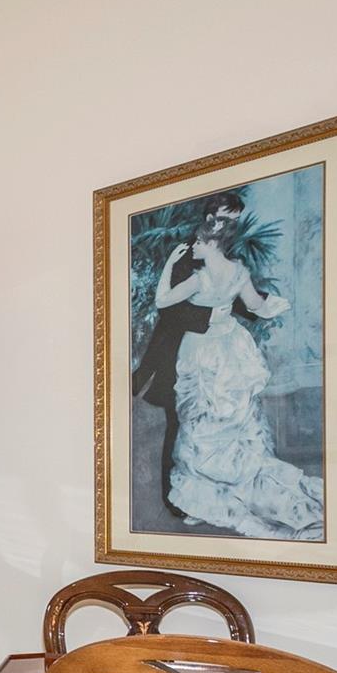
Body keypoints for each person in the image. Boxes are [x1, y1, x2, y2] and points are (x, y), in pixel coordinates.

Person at [157, 229, 322, 539]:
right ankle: (222, 490)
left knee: (200, 424)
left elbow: (162, 301)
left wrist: (168, 263)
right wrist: (272, 306)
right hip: (231, 348)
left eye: (199, 242)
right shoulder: (239, 273)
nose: (194, 247)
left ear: (212, 244)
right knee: (232, 419)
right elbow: (257, 305)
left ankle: (205, 498)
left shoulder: (199, 279)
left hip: (203, 352)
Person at [132, 192, 245, 513]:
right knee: (180, 424)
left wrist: (256, 303)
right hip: (179, 352)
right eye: (228, 218)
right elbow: (171, 309)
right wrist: (211, 316)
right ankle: (174, 497)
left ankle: (206, 492)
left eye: (235, 220)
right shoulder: (189, 251)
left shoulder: (223, 251)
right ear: (210, 218)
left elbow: (227, 293)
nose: (232, 226)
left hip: (211, 353)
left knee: (208, 425)